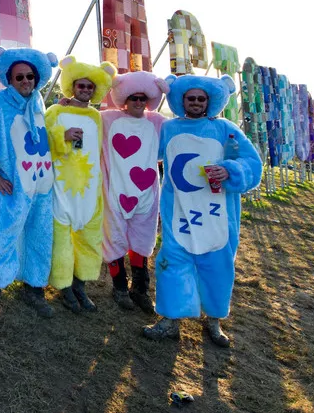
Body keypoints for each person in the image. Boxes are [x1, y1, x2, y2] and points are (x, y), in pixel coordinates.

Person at [143, 75, 262, 348]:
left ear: (209, 101)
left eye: (201, 98)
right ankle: (170, 320)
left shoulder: (225, 128)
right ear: (181, 100)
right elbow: (143, 145)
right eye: (191, 98)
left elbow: (252, 163)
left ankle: (214, 320)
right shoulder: (168, 128)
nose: (196, 103)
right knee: (174, 263)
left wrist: (230, 170)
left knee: (217, 266)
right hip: (179, 212)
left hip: (216, 214)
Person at [0, 46, 59, 340]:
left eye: (30, 76)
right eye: (19, 77)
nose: (25, 81)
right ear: (9, 78)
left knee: (39, 237)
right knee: (0, 240)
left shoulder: (38, 102)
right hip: (11, 188)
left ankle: (33, 288)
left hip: (40, 186)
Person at [44, 57, 116, 313]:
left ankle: (80, 285)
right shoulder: (56, 111)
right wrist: (61, 136)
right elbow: (41, 141)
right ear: (72, 87)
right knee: (62, 238)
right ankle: (64, 287)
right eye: (81, 85)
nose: (85, 90)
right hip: (62, 184)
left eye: (89, 86)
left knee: (88, 237)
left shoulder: (96, 116)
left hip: (89, 186)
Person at [99, 71, 169, 314]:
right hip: (115, 190)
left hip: (146, 191)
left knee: (143, 239)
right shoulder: (108, 118)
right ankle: (119, 288)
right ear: (124, 99)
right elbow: (83, 116)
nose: (138, 102)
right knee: (114, 237)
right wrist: (67, 104)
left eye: (142, 98)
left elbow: (181, 130)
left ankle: (140, 289)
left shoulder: (158, 121)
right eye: (133, 98)